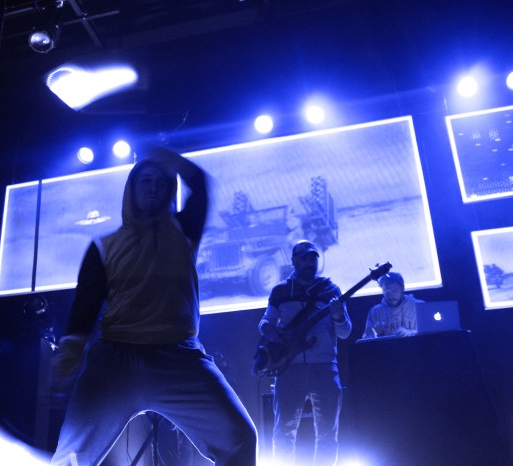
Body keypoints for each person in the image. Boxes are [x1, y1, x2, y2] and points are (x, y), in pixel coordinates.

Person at [49, 146, 257, 466]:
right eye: (145, 180)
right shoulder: (103, 247)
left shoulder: (184, 231)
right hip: (115, 362)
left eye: (161, 182)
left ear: (170, 191)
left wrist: (166, 156)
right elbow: (83, 311)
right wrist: (67, 357)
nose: (153, 187)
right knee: (71, 458)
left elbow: (199, 184)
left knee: (239, 439)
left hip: (180, 359)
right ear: (131, 189)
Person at [258, 240, 351, 465]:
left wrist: (338, 316)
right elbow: (265, 322)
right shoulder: (280, 291)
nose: (310, 262)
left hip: (325, 368)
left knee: (328, 432)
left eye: (313, 258)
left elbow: (345, 332)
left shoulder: (331, 290)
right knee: (284, 431)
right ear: (293, 261)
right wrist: (275, 335)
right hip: (290, 368)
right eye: (304, 258)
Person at [361, 272, 424, 339]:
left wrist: (412, 333)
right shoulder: (376, 311)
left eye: (394, 290)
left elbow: (429, 334)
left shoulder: (419, 306)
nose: (391, 295)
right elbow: (367, 337)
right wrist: (375, 336)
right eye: (386, 291)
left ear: (402, 288)